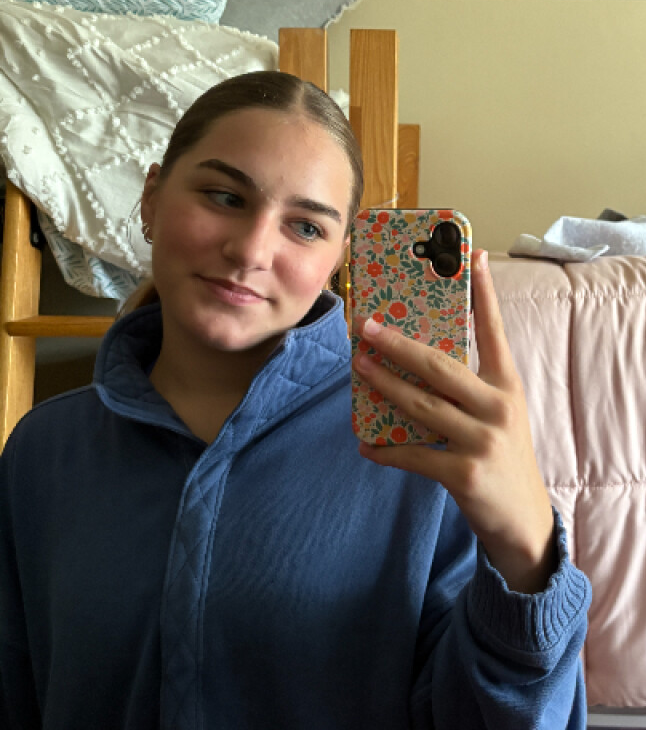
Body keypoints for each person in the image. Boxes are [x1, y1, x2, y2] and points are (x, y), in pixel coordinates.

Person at [0, 71, 591, 729]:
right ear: (152, 196)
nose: (252, 251)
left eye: (306, 228)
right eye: (224, 196)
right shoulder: (41, 452)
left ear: (341, 257)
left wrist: (527, 556)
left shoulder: (427, 459)